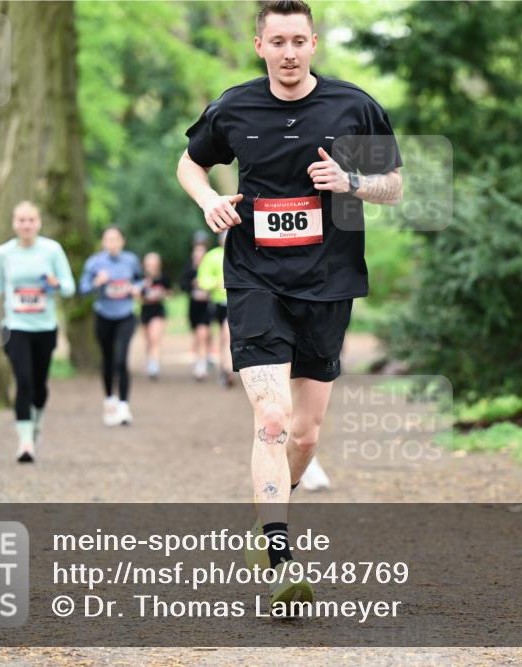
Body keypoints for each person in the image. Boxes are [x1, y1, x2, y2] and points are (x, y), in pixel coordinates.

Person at [176, 0, 403, 607]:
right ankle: (280, 555)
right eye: (277, 41)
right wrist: (207, 201)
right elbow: (190, 163)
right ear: (260, 46)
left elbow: (395, 187)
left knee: (304, 433)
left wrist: (352, 183)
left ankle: (263, 516)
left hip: (329, 282)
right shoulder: (235, 105)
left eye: (299, 40)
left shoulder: (353, 105)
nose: (289, 52)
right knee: (271, 418)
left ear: (314, 42)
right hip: (255, 278)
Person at [0, 200, 76, 463]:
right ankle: (25, 442)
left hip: (45, 327)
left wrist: (55, 284)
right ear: (14, 224)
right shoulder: (4, 253)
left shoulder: (52, 250)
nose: (26, 225)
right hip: (15, 326)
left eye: (31, 220)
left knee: (40, 386)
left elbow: (69, 287)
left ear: (38, 223)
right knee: (24, 381)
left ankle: (36, 424)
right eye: (21, 220)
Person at [80, 226, 142, 426]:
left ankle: (124, 406)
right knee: (107, 360)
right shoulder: (95, 262)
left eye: (115, 239)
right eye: (108, 239)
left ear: (122, 241)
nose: (112, 243)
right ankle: (109, 399)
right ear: (103, 242)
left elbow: (140, 280)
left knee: (121, 359)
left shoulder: (131, 260)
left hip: (125, 315)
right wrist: (97, 282)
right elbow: (83, 288)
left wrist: (136, 288)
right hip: (104, 316)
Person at [194, 231, 235, 387]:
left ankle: (227, 369)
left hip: (236, 303)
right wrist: (216, 283)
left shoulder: (242, 253)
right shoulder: (212, 256)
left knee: (227, 334)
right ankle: (225, 367)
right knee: (224, 336)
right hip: (219, 303)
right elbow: (203, 279)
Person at [180, 231, 213, 381]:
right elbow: (182, 285)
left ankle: (201, 366)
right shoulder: (189, 266)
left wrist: (208, 286)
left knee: (203, 333)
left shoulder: (211, 263)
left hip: (207, 306)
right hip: (194, 306)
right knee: (198, 335)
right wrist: (192, 283)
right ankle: (202, 358)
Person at [139, 252, 171, 380]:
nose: (151, 266)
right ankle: (149, 361)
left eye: (154, 264)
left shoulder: (163, 278)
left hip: (158, 311)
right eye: (149, 264)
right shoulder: (141, 279)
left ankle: (154, 365)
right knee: (148, 340)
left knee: (154, 338)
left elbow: (169, 293)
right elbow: (137, 296)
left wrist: (162, 294)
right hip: (145, 311)